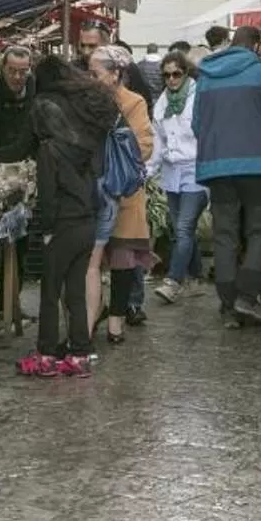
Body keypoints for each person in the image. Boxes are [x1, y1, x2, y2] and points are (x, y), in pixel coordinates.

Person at [0, 54, 117, 377]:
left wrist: (46, 230)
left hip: (63, 226)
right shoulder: (82, 145)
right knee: (75, 291)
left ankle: (45, 355)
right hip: (87, 221)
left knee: (50, 291)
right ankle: (79, 355)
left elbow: (48, 195)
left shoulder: (48, 151)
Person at [192, 25, 261, 329]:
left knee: (225, 235)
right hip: (256, 164)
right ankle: (246, 296)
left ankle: (228, 306)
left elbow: (197, 124)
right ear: (256, 45)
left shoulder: (206, 76)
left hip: (216, 166)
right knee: (260, 229)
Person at [89, 47, 157, 341]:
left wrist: (115, 141)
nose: (90, 79)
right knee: (91, 260)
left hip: (124, 189)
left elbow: (144, 147)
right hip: (92, 189)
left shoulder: (134, 102)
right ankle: (94, 310)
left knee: (123, 257)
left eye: (95, 73)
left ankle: (116, 319)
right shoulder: (85, 102)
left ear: (115, 74)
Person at [151, 53, 205, 302]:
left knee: (184, 227)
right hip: (171, 171)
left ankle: (173, 281)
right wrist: (148, 171)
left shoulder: (199, 97)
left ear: (186, 73)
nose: (171, 79)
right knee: (181, 229)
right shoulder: (161, 103)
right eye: (166, 75)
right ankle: (195, 276)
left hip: (195, 169)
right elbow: (158, 141)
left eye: (176, 74)